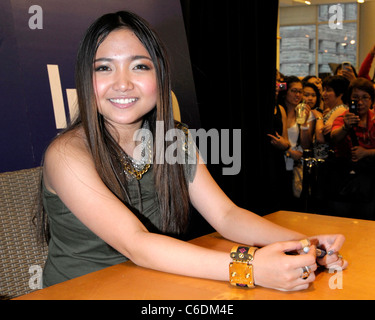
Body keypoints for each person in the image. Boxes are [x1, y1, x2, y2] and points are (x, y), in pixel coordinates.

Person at [37, 11, 347, 291]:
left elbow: (226, 216)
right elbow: (137, 244)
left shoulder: (174, 139)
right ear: (84, 79)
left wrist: (306, 245)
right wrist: (249, 268)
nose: (122, 83)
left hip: (153, 283)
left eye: (139, 66)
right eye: (104, 68)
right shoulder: (67, 154)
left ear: (160, 76)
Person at [328, 78, 375, 219]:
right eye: (355, 97)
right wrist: (345, 127)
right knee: (342, 220)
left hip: (369, 180)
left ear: (371, 101)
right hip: (344, 180)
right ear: (348, 100)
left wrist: (366, 152)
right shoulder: (342, 118)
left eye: (365, 98)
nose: (360, 102)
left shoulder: (374, 119)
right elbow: (334, 137)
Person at [277, 76, 315, 207]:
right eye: (294, 91)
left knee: (295, 203)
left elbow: (306, 144)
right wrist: (288, 151)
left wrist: (304, 123)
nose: (298, 95)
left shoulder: (305, 112)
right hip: (279, 162)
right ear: (285, 91)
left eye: (300, 91)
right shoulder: (278, 111)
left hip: (296, 165)